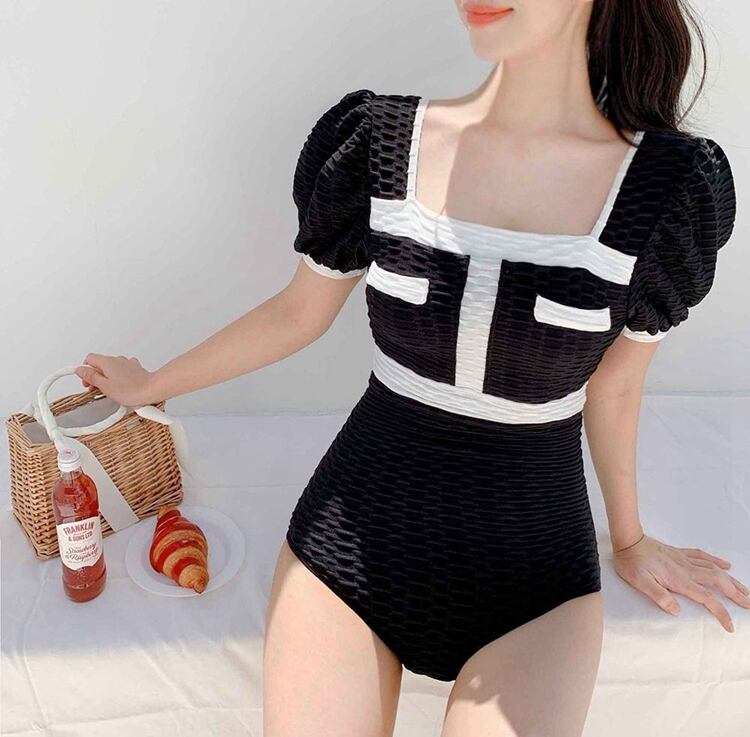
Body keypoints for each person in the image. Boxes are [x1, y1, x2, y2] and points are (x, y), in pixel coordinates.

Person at [75, 1, 748, 735]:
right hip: (348, 546)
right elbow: (298, 314)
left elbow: (615, 386)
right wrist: (154, 384)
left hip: (537, 575)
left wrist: (630, 539)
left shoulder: (667, 188)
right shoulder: (379, 140)